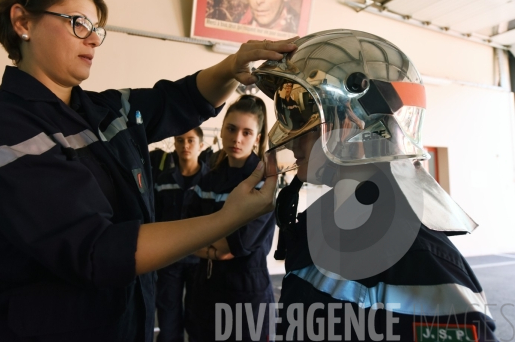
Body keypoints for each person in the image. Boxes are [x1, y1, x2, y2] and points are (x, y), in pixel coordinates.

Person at [0, 0, 295, 342]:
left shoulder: (103, 111)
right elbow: (96, 250)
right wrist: (227, 218)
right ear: (23, 22)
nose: (94, 38)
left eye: (97, 28)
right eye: (78, 23)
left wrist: (233, 65)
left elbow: (177, 99)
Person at [254, 29, 498, 341]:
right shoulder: (321, 225)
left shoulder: (421, 263)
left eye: (303, 120)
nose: (292, 144)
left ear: (351, 127)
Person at [184, 95, 276, 342]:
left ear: (257, 139)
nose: (237, 139)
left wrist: (203, 240)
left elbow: (237, 244)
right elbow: (185, 235)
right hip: (205, 289)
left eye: (247, 132)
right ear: (222, 130)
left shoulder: (265, 183)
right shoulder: (208, 178)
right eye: (232, 129)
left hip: (246, 297)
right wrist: (214, 251)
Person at [154, 127, 208, 342]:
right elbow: (155, 219)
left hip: (200, 260)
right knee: (168, 319)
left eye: (191, 140)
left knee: (198, 319)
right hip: (170, 259)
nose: (185, 145)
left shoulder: (210, 181)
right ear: (174, 144)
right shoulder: (162, 180)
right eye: (180, 140)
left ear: (201, 146)